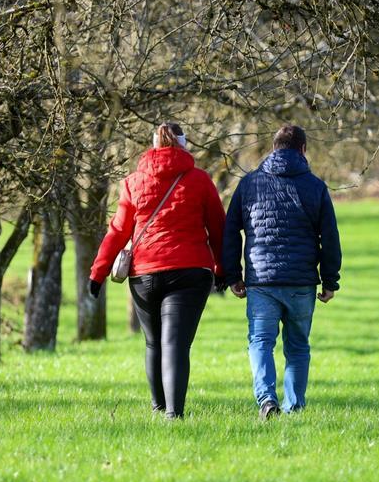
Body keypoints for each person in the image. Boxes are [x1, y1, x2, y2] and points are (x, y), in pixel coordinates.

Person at [88, 122, 226, 419]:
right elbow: (218, 227)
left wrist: (98, 273)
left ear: (153, 146)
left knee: (153, 342)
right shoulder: (200, 180)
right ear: (184, 145)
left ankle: (158, 407)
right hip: (190, 272)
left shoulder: (132, 182)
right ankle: (174, 414)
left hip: (145, 273)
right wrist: (223, 269)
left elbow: (118, 231)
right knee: (176, 344)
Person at [223, 124, 341, 419]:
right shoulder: (315, 186)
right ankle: (294, 406)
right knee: (298, 346)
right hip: (301, 281)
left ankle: (266, 399)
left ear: (273, 148)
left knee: (261, 341)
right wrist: (330, 280)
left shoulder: (249, 183)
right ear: (303, 150)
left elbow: (230, 231)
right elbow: (330, 237)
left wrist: (232, 275)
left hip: (262, 280)